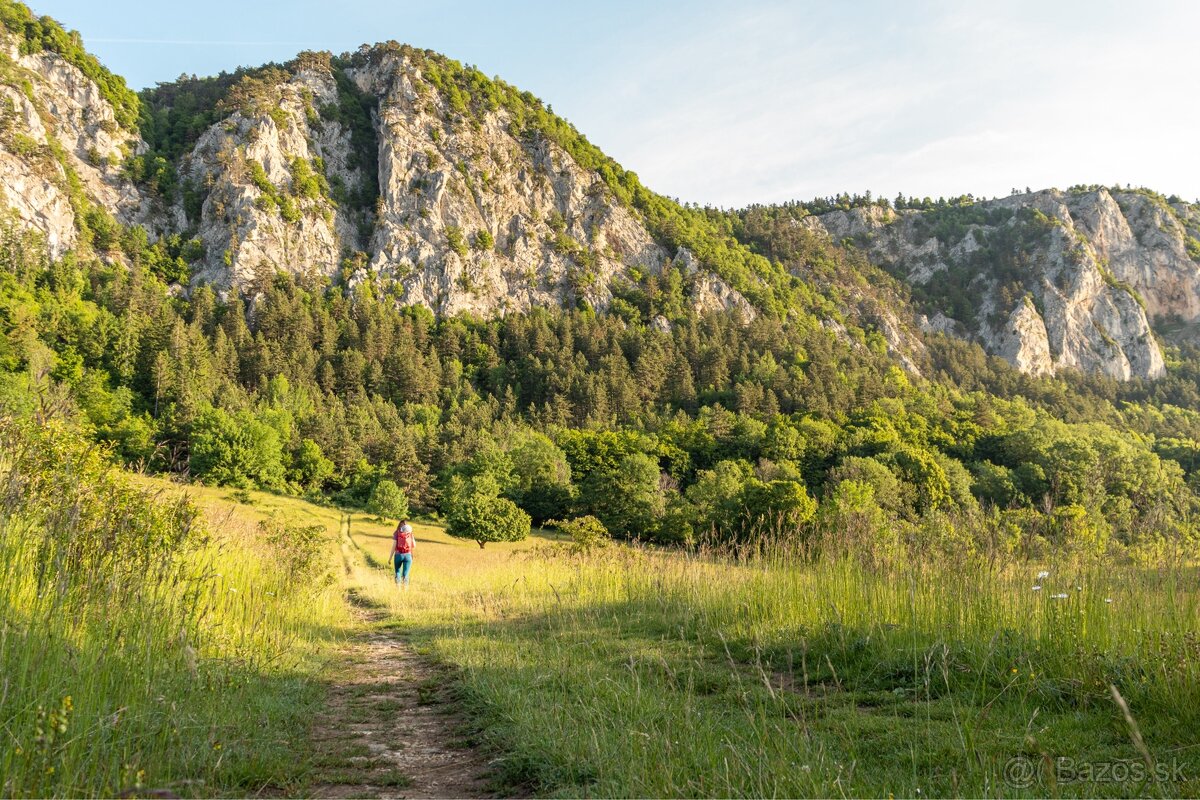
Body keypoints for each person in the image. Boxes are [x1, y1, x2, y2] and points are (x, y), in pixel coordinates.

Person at [392, 519, 415, 588]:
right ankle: (405, 589)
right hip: (408, 555)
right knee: (406, 574)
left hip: (398, 555)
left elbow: (393, 546)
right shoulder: (410, 533)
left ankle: (398, 588)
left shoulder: (397, 533)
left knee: (398, 572)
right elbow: (413, 545)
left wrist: (390, 558)